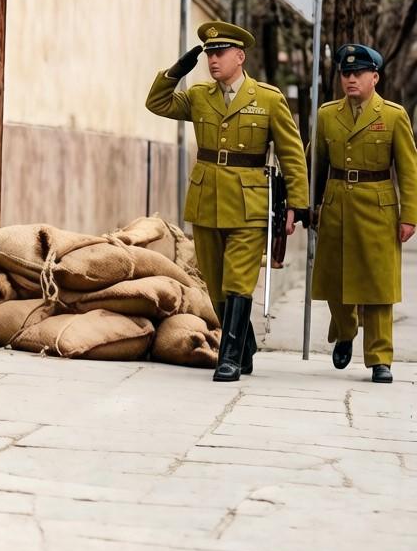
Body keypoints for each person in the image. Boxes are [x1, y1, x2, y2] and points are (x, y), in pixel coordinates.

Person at [145, 20, 309, 382]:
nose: (213, 60)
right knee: (216, 283)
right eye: (209, 54)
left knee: (238, 280)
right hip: (206, 199)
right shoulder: (199, 95)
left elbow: (292, 154)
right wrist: (175, 72)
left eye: (220, 53)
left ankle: (229, 358)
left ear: (240, 57)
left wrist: (296, 205)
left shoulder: (268, 99)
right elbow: (157, 103)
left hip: (250, 203)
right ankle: (245, 348)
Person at [312, 44, 417, 384]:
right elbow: (317, 165)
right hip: (337, 204)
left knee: (378, 285)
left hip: (378, 206)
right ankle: (345, 331)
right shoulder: (327, 115)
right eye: (346, 73)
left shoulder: (393, 116)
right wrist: (307, 206)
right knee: (335, 280)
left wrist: (409, 215)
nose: (351, 79)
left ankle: (380, 358)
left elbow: (409, 170)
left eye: (358, 73)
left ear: (375, 77)